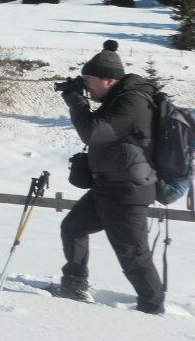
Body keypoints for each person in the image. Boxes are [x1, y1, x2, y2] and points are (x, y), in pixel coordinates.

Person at [52, 40, 165, 314]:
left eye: (88, 80)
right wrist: (78, 100)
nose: (86, 86)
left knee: (133, 255)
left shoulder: (132, 101)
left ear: (108, 79)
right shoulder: (116, 98)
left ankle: (152, 308)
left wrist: (77, 102)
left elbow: (93, 133)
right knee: (73, 227)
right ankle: (73, 286)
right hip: (108, 188)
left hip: (127, 192)